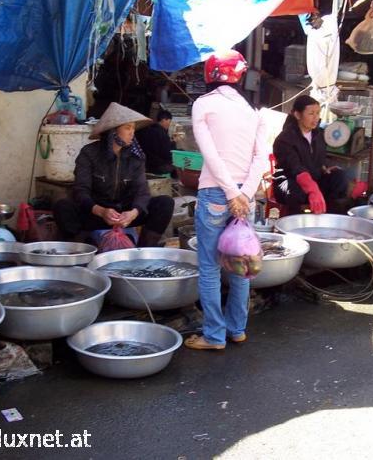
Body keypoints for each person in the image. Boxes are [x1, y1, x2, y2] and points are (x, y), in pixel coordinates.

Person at [184, 50, 268, 351]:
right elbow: (261, 159)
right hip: (245, 197)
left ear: (209, 74)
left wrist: (232, 193)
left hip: (216, 194)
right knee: (241, 263)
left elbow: (210, 154)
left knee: (209, 266)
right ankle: (237, 329)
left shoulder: (203, 105)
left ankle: (214, 336)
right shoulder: (252, 109)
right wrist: (244, 193)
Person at [53, 102, 174, 248]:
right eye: (127, 128)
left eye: (133, 128)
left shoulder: (136, 157)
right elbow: (81, 190)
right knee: (62, 206)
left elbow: (142, 192)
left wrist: (133, 213)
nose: (132, 133)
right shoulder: (89, 153)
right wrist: (101, 210)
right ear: (113, 132)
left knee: (165, 203)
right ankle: (81, 250)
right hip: (96, 213)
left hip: (125, 213)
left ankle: (143, 250)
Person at [272, 95, 349, 214]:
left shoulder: (318, 135)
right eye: (311, 113)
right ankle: (294, 224)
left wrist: (324, 168)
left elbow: (318, 159)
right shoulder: (284, 140)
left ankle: (329, 216)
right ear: (298, 115)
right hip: (289, 181)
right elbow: (295, 168)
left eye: (318, 113)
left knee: (339, 177)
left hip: (314, 179)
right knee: (297, 192)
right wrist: (313, 190)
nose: (316, 118)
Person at [136, 109, 175, 175]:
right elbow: (167, 154)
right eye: (169, 121)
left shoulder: (147, 129)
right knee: (178, 166)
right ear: (164, 120)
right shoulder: (162, 133)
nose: (169, 124)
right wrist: (173, 143)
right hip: (157, 166)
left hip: (145, 163)